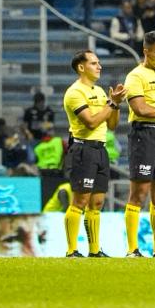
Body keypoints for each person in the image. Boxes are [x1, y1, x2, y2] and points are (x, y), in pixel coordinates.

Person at [62, 50, 126, 257]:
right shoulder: (74, 93)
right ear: (81, 67)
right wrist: (112, 103)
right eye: (94, 63)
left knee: (96, 203)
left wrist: (115, 105)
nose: (99, 67)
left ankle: (94, 250)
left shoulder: (99, 91)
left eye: (99, 63)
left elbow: (113, 125)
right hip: (83, 149)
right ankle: (72, 250)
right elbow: (91, 122)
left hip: (100, 150)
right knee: (80, 201)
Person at [120, 31, 155, 258]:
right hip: (143, 135)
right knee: (139, 192)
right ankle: (132, 248)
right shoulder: (135, 76)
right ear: (146, 52)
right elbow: (140, 109)